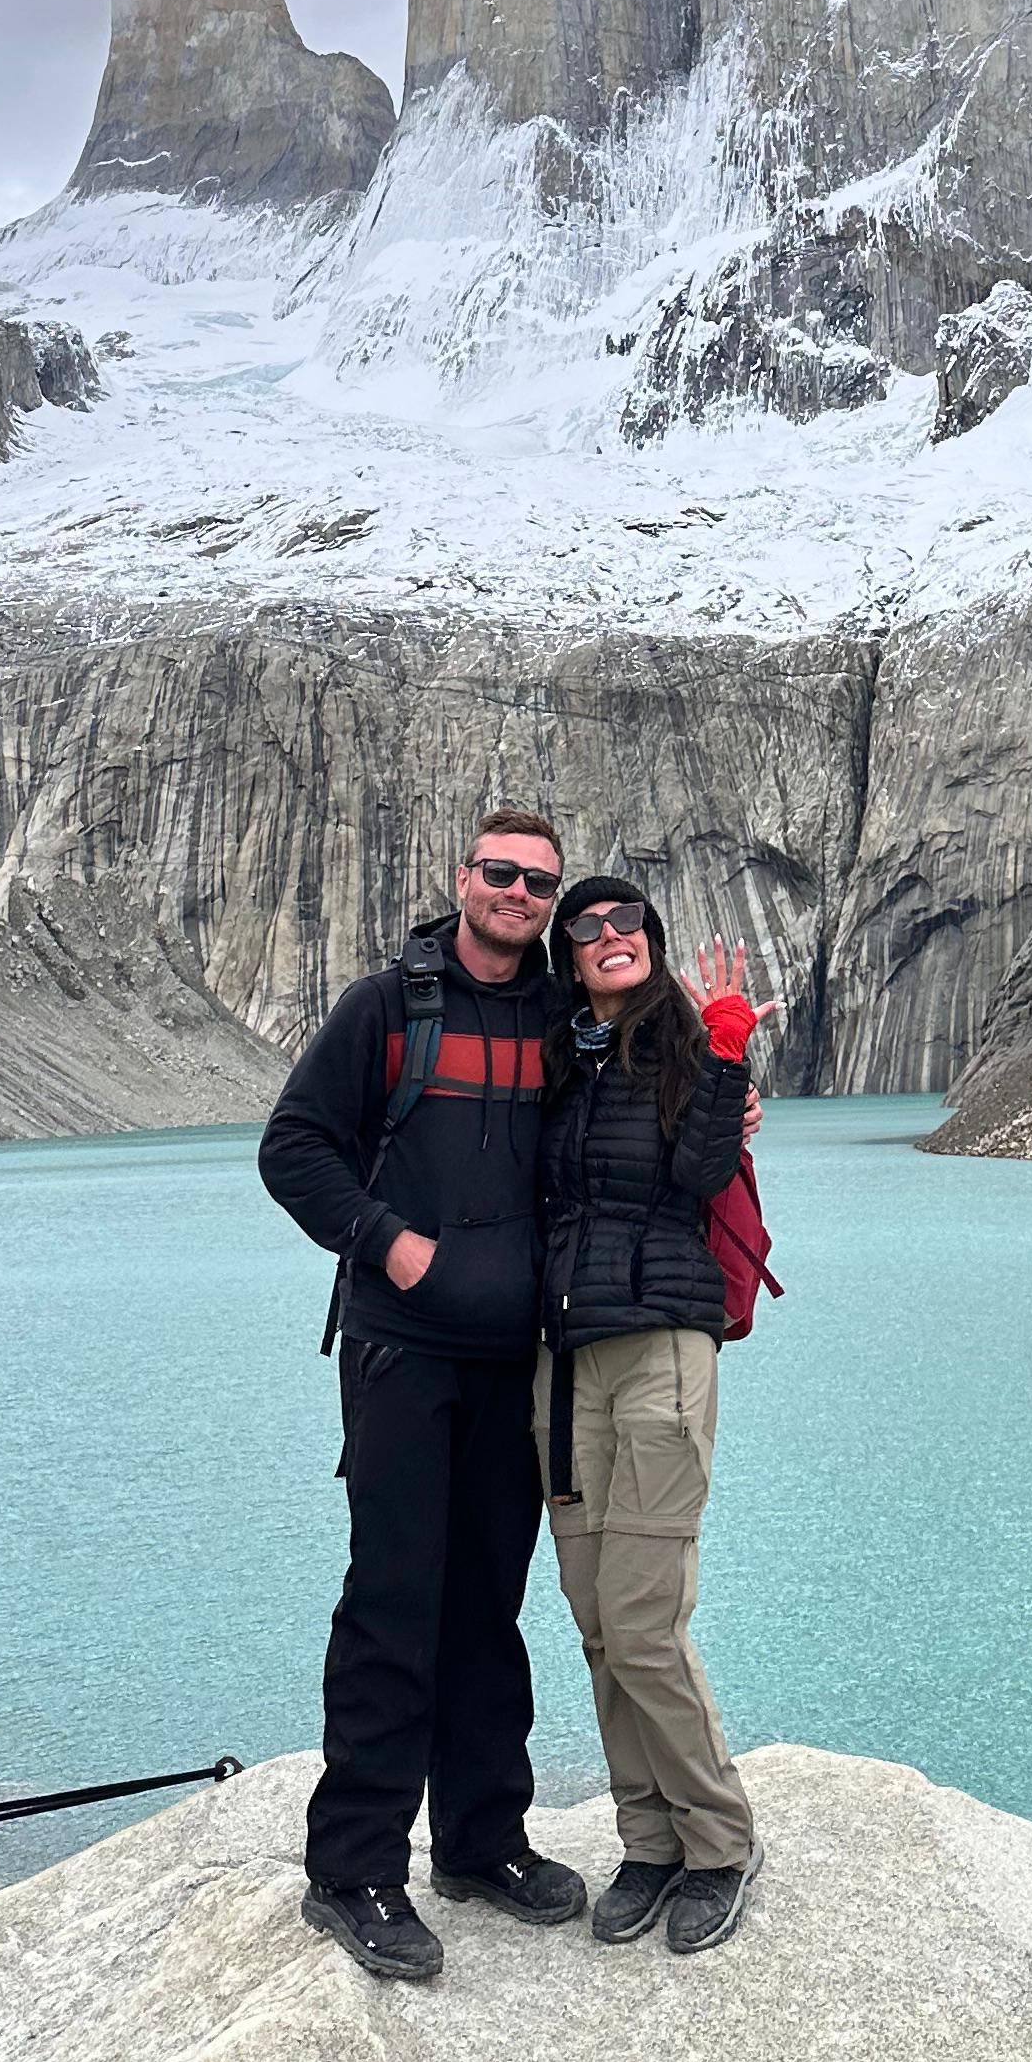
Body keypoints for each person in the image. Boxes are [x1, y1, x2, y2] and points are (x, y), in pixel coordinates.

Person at [259, 804, 591, 1980]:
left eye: (539, 883)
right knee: (395, 1599)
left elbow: (639, 1112)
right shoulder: (386, 1007)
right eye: (501, 874)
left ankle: (481, 1839)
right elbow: (294, 1147)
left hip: (519, 1362)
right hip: (401, 1354)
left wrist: (732, 1090)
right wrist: (388, 1243)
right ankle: (353, 1870)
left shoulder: (560, 1014)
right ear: (463, 879)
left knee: (489, 1606)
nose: (518, 895)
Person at [534, 873, 778, 1957]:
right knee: (596, 1621)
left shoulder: (685, 1048)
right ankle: (647, 1841)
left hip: (665, 1351)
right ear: (569, 958)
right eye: (584, 928)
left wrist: (726, 1058)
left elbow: (700, 1167)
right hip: (563, 1363)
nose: (608, 935)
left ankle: (718, 1841)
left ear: (650, 939)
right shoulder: (554, 1060)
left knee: (643, 1616)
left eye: (626, 920)